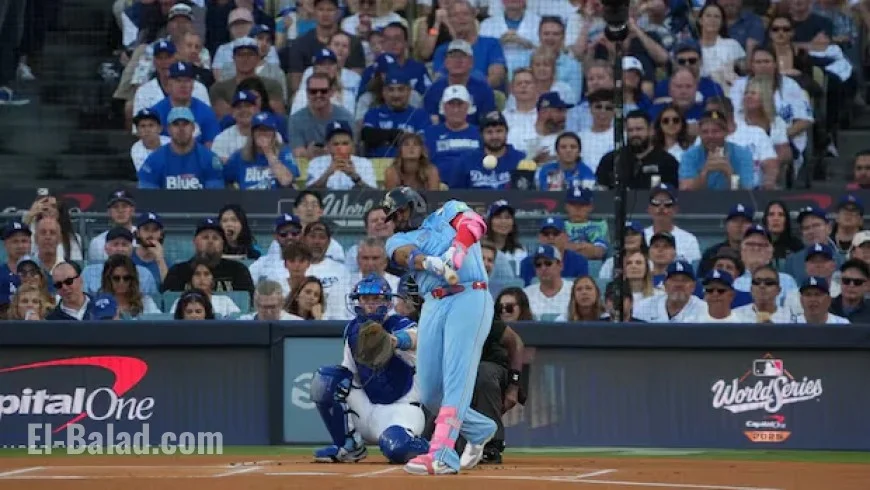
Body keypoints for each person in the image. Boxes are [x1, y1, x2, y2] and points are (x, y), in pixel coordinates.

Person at [383, 186, 497, 475]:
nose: (397, 218)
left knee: (457, 378)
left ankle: (443, 454)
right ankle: (480, 428)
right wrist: (429, 262)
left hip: (469, 295)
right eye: (393, 215)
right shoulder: (398, 238)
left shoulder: (448, 211)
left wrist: (457, 251)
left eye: (400, 211)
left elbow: (474, 223)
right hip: (433, 302)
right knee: (431, 392)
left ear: (414, 205)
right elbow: (402, 254)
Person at [310, 274, 429, 464]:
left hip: (401, 409)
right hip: (367, 407)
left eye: (376, 299)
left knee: (397, 449)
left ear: (388, 302)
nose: (371, 304)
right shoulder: (352, 330)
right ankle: (348, 446)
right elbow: (348, 372)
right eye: (365, 299)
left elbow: (415, 337)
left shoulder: (400, 323)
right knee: (326, 379)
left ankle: (434, 448)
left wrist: (393, 340)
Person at [465, 310, 526, 465]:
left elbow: (516, 342)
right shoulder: (433, 314)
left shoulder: (475, 311)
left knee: (483, 372)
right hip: (461, 370)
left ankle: (492, 444)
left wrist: (513, 386)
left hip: (493, 368)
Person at [137, 107, 225, 190]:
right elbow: (147, 197)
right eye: (176, 124)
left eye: (185, 124)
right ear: (168, 129)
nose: (181, 129)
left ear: (193, 128)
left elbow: (214, 197)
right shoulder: (154, 161)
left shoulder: (209, 159)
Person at [162, 217, 255, 295]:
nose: (210, 241)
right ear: (195, 241)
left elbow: (250, 303)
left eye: (215, 238)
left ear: (223, 244)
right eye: (205, 237)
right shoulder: (178, 272)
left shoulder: (238, 271)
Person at [596, 110, 680, 189]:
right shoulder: (610, 160)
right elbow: (600, 192)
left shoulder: (667, 162)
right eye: (630, 130)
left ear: (651, 130)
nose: (634, 134)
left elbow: (676, 193)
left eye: (639, 129)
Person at [422, 85, 482, 189]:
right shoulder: (430, 133)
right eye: (451, 104)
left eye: (460, 104)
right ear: (443, 107)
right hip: (439, 189)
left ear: (468, 106)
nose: (455, 110)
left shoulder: (480, 133)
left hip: (475, 189)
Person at [679, 110, 754, 190]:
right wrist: (705, 172)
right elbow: (686, 190)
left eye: (715, 131)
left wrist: (729, 172)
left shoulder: (742, 154)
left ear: (726, 132)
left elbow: (746, 192)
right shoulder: (689, 156)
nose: (710, 136)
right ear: (699, 134)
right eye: (705, 132)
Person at [223, 112, 300, 189]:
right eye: (259, 130)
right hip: (248, 196)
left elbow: (286, 181)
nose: (263, 133)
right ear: (252, 133)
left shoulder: (284, 152)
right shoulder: (239, 156)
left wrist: (268, 152)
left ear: (274, 134)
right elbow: (222, 178)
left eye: (267, 130)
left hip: (275, 196)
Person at [454, 111, 525, 190]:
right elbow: (455, 194)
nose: (494, 136)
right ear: (481, 134)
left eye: (499, 131)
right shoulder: (466, 161)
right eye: (489, 132)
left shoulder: (521, 160)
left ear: (506, 132)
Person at [306, 120, 377, 190]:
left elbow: (374, 194)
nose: (340, 148)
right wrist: (327, 174)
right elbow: (308, 193)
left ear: (352, 144)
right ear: (327, 146)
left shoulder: (364, 163)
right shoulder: (316, 163)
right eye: (335, 144)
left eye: (345, 143)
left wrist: (355, 176)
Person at [634, 261, 706, 322]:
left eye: (684, 280)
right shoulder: (644, 306)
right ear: (665, 284)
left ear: (693, 286)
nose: (679, 284)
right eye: (674, 280)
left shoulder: (704, 310)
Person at [168, 258, 242, 318]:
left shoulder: (225, 301)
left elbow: (238, 321)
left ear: (213, 279)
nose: (202, 278)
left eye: (206, 274)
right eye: (197, 274)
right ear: (191, 279)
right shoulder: (180, 301)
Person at [698, 203, 754, 277]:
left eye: (745, 221)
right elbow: (702, 280)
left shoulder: (757, 252)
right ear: (726, 225)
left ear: (752, 226)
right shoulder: (712, 254)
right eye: (735, 221)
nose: (739, 225)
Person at [98, 254, 162, 318]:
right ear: (108, 279)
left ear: (132, 279)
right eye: (116, 278)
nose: (121, 282)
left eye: (126, 278)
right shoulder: (99, 304)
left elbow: (160, 321)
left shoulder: (146, 303)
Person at [522, 245, 573, 320]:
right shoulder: (525, 294)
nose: (543, 268)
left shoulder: (574, 290)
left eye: (548, 263)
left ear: (560, 265)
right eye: (538, 265)